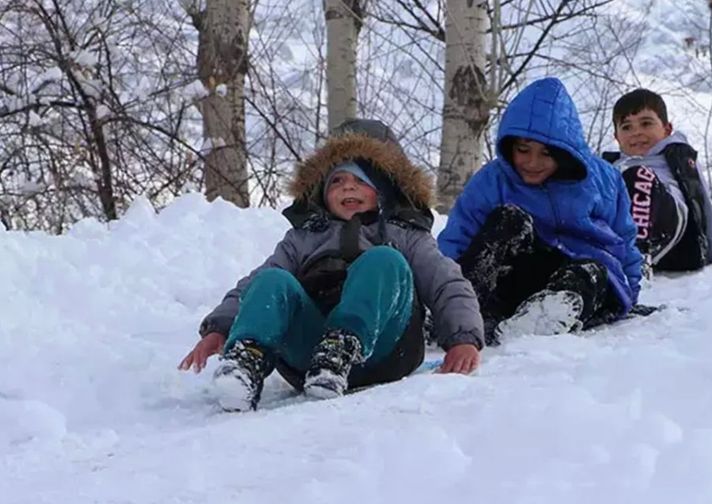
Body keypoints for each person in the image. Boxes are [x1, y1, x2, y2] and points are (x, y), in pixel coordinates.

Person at [179, 119, 483, 411]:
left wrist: (463, 338)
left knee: (384, 260)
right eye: (337, 180)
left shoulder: (404, 234)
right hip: (309, 353)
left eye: (361, 180)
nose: (348, 188)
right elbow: (255, 287)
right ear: (322, 191)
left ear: (385, 188)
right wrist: (220, 327)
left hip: (385, 349)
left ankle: (342, 346)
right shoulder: (304, 238)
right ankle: (246, 361)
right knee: (273, 278)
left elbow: (446, 283)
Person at [437, 77, 643, 346]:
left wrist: (631, 291)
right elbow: (458, 237)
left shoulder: (602, 179)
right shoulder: (493, 181)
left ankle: (546, 316)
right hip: (523, 276)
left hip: (589, 282)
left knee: (591, 270)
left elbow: (624, 237)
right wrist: (440, 294)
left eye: (546, 153)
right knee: (509, 219)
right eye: (523, 150)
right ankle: (463, 309)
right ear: (510, 146)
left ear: (565, 152)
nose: (532, 162)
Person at [603, 88, 712, 273]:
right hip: (620, 241)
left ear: (667, 129)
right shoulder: (609, 168)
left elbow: (702, 200)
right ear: (617, 137)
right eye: (627, 127)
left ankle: (638, 257)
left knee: (638, 177)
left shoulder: (677, 157)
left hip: (679, 241)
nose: (636, 132)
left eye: (646, 123)